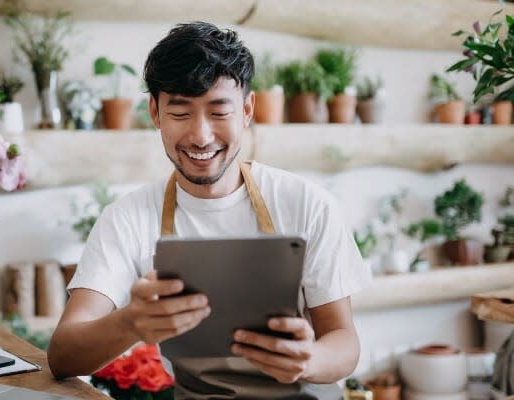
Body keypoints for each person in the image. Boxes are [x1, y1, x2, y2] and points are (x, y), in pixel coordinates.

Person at [48, 21, 371, 399]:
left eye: (219, 113)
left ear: (247, 110)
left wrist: (308, 359)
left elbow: (344, 341)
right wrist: (130, 322)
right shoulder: (127, 218)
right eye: (181, 114)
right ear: (155, 112)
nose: (201, 136)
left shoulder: (307, 204)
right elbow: (62, 354)